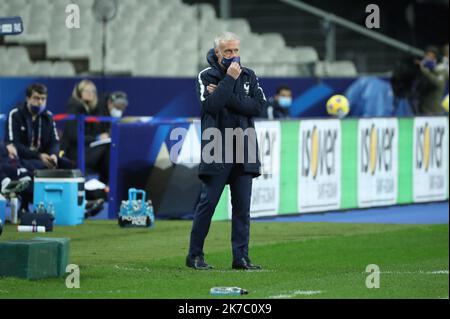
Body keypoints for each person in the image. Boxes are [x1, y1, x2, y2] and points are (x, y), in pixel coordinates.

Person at [186, 31, 266, 270]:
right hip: (216, 146)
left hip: (244, 146)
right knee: (207, 204)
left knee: (242, 208)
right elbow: (211, 106)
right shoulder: (205, 76)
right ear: (217, 52)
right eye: (228, 51)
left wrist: (224, 92)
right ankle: (195, 256)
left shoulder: (250, 75)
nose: (233, 56)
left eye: (236, 51)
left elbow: (258, 107)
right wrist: (230, 81)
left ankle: (241, 258)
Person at [5, 83, 73, 171]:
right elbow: (13, 144)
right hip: (23, 158)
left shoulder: (48, 117)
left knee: (69, 165)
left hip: (44, 158)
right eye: (36, 98)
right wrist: (38, 155)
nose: (40, 102)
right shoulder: (15, 114)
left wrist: (53, 155)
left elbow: (54, 142)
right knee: (38, 166)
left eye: (43, 99)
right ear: (27, 98)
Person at [61, 79, 110, 184]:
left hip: (85, 148)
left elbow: (96, 130)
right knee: (108, 149)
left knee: (110, 146)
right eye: (86, 91)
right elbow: (74, 136)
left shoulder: (90, 109)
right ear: (79, 92)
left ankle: (103, 185)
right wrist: (97, 138)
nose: (90, 93)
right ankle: (105, 185)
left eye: (93, 91)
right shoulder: (74, 107)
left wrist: (101, 136)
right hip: (74, 151)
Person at [413, 46, 448, 115]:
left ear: (436, 58)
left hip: (437, 110)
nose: (430, 58)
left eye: (432, 56)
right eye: (428, 56)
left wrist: (427, 72)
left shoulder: (441, 70)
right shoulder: (421, 69)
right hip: (423, 109)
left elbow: (439, 83)